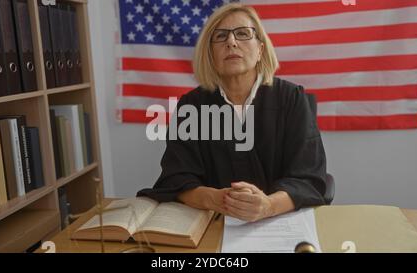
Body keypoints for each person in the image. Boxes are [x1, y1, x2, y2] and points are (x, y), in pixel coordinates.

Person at [137, 3, 327, 222]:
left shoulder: (292, 98)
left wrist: (268, 206)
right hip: (214, 222)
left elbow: (309, 178)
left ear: (260, 50)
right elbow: (176, 179)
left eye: (243, 34)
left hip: (280, 221)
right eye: (221, 36)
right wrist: (215, 199)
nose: (231, 42)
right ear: (210, 54)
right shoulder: (191, 106)